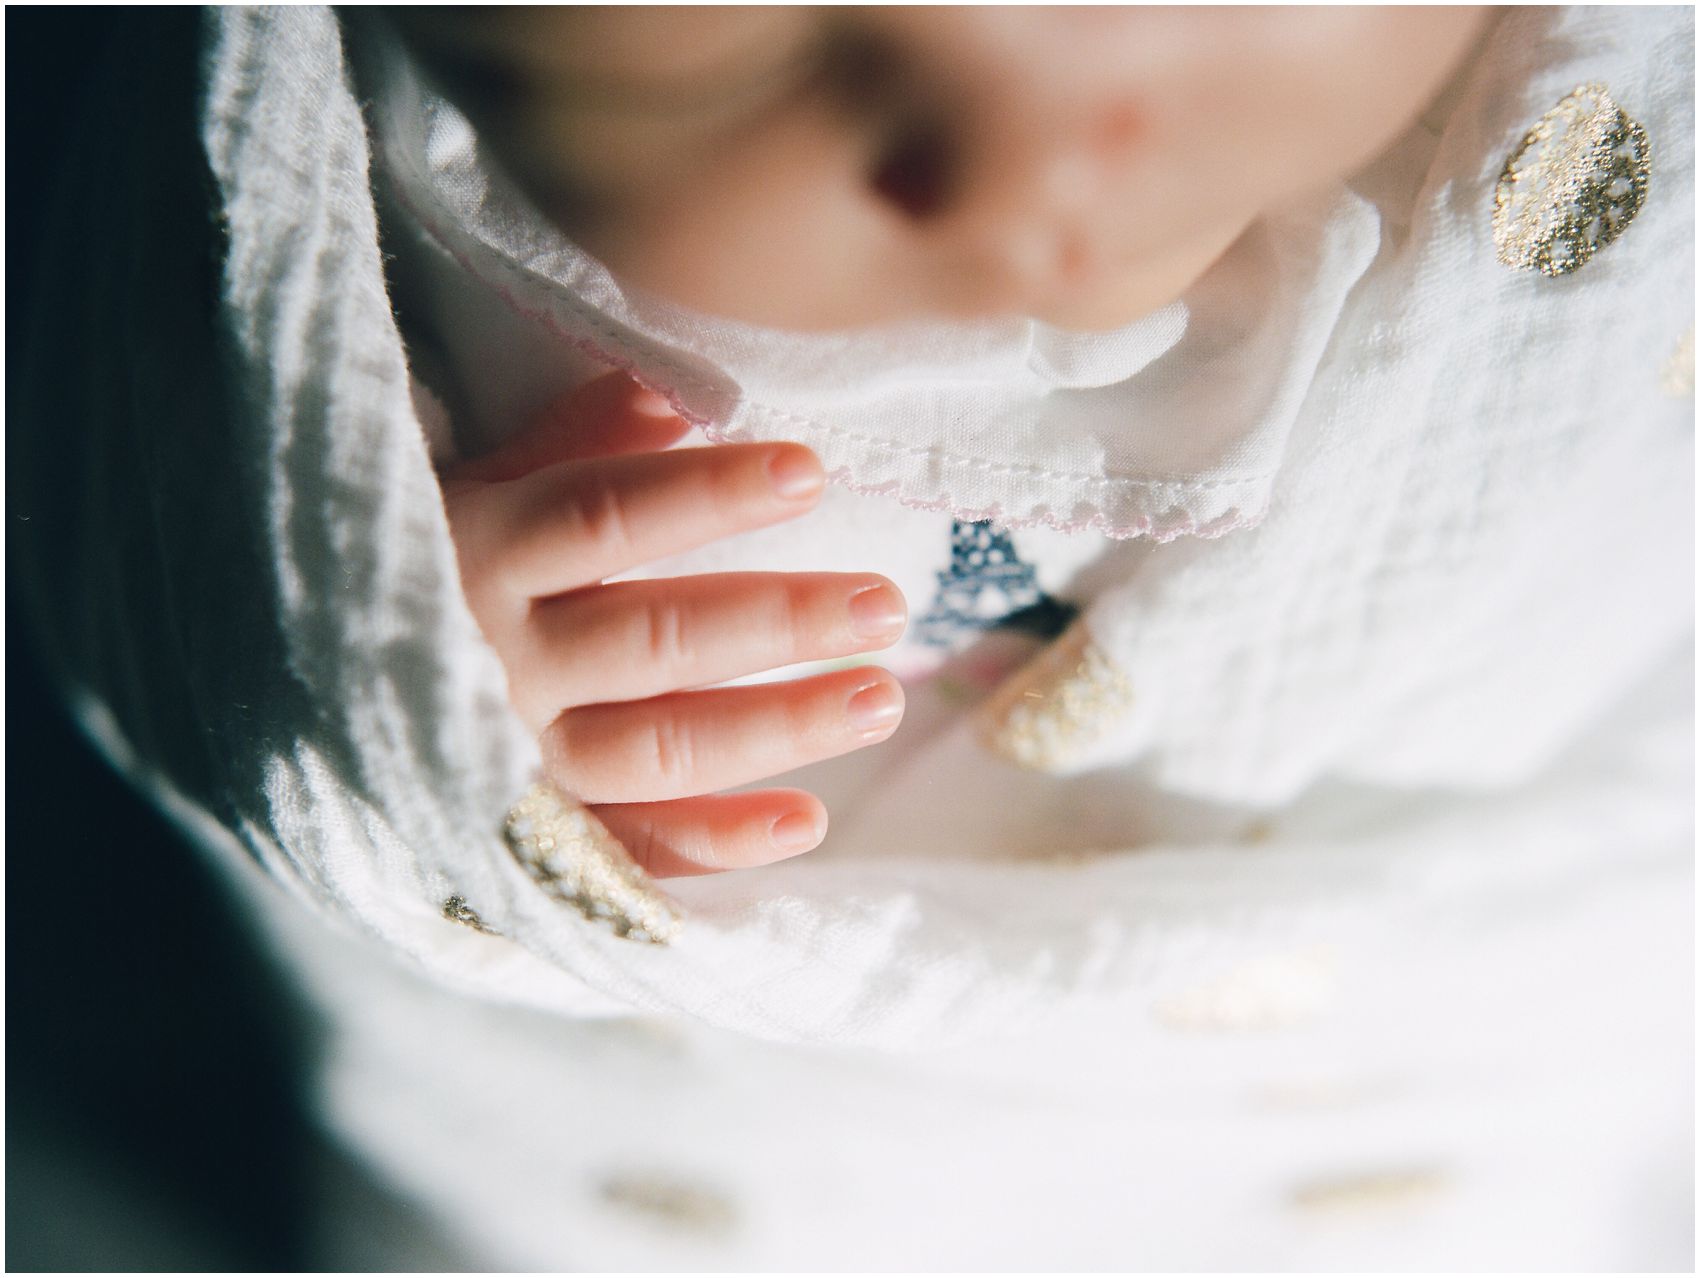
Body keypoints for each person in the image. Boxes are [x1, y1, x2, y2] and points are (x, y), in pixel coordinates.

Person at [14, 5, 1692, 1268]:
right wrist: (379, 646)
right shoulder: (385, 209)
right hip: (704, 1156)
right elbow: (149, 481)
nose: (1029, 163)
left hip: (1402, 1094)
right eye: (737, 69)